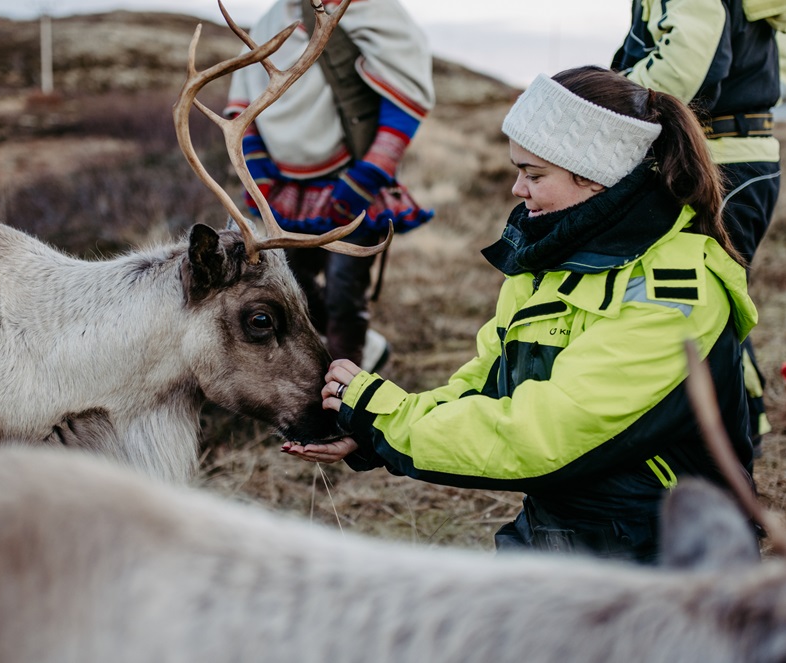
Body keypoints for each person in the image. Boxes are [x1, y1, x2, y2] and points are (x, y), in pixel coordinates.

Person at [282, 66, 760, 564]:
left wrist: (384, 417)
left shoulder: (675, 294)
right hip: (569, 532)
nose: (516, 189)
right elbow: (484, 389)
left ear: (597, 176)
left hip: (672, 556)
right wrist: (370, 433)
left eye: (534, 174)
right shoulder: (548, 260)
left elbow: (541, 435)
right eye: (517, 170)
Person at [223, 0, 435, 372]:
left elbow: (405, 102)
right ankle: (363, 350)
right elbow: (244, 105)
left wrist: (366, 177)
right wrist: (257, 166)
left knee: (343, 292)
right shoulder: (273, 19)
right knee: (289, 284)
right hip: (286, 188)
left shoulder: (375, 10)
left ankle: (346, 395)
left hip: (350, 183)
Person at [611, 0, 784, 454]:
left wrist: (605, 103)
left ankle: (727, 440)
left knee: (697, 298)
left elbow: (694, 62)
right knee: (713, 296)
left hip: (716, 158)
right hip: (735, 152)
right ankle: (742, 428)